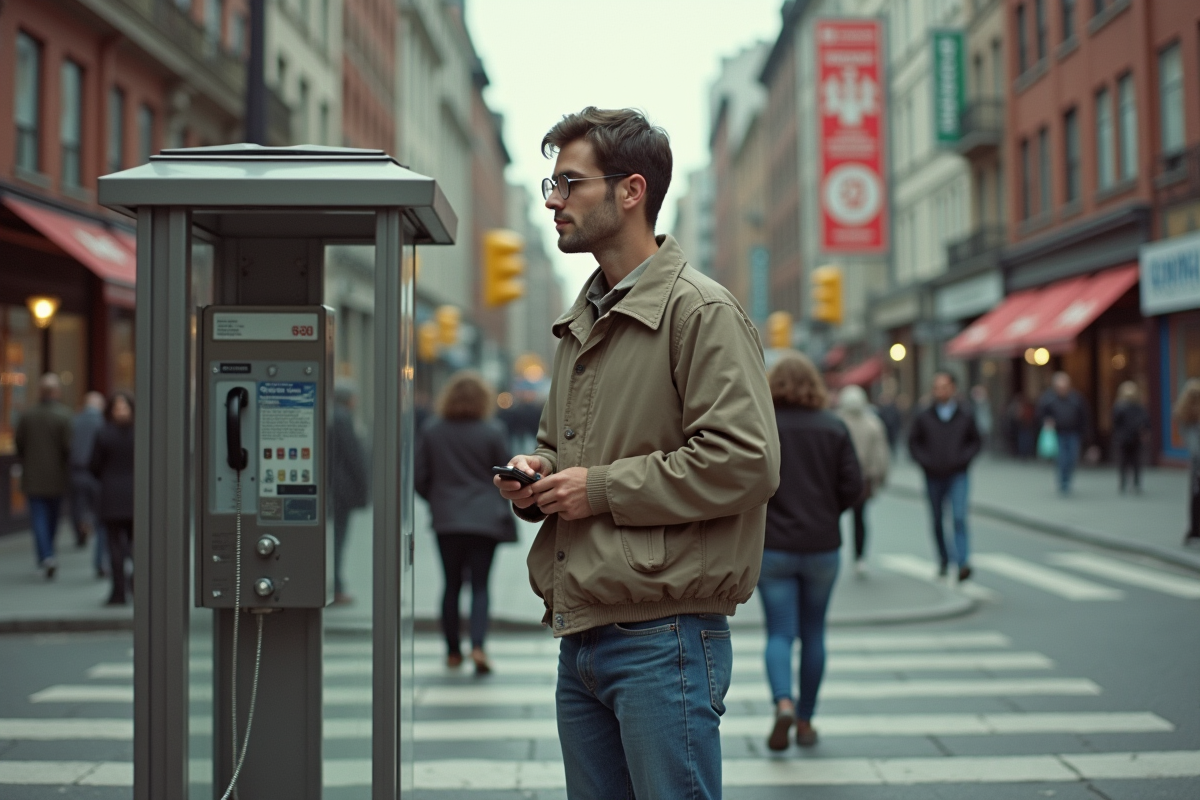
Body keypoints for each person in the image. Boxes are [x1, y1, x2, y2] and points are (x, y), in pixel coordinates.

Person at [493, 107, 780, 799]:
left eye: (570, 183)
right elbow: (565, 452)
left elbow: (747, 460)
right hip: (583, 632)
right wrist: (541, 477)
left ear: (631, 191)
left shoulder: (700, 311)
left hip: (665, 637)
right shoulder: (582, 319)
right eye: (551, 185)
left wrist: (597, 489)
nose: (554, 201)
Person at [762, 355, 862, 751]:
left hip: (774, 548)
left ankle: (782, 701)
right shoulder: (834, 427)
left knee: (780, 633)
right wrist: (826, 512)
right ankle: (805, 721)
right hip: (822, 548)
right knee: (814, 633)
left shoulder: (765, 426)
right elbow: (853, 487)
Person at [416, 371, 517, 674]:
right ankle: (478, 646)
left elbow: (420, 477)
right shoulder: (492, 431)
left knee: (451, 585)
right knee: (481, 587)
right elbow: (507, 473)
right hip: (485, 519)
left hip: (447, 519)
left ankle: (451, 652)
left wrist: (438, 500)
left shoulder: (434, 430)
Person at [907, 371, 982, 581]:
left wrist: (963, 459)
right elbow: (913, 443)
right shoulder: (924, 414)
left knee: (959, 516)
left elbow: (975, 441)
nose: (940, 391)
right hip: (933, 475)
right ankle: (943, 559)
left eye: (944, 386)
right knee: (938, 518)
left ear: (953, 388)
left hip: (958, 473)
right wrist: (926, 462)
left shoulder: (965, 413)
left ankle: (962, 562)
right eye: (936, 387)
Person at [15, 373, 73, 579]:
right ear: (56, 392)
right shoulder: (64, 416)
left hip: (33, 477)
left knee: (39, 518)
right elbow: (69, 448)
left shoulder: (28, 416)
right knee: (52, 518)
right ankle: (49, 554)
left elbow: (19, 444)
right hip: (56, 477)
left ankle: (45, 555)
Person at [835, 384, 889, 575]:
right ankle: (859, 556)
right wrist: (880, 476)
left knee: (834, 516)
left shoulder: (837, 422)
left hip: (838, 478)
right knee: (860, 518)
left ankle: (834, 552)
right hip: (863, 478)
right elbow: (880, 454)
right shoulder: (872, 423)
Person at [90, 392, 135, 605]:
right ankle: (136, 585)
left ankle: (118, 593)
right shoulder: (140, 434)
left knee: (115, 546)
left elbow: (94, 465)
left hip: (111, 496)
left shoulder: (104, 433)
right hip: (136, 496)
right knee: (137, 546)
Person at [330, 380, 369, 606]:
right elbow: (353, 456)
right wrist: (363, 489)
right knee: (337, 538)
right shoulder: (343, 418)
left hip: (333, 487)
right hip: (341, 488)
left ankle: (334, 585)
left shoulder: (332, 415)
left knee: (334, 537)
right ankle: (335, 586)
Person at [70, 392, 109, 577]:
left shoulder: (75, 421)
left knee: (78, 505)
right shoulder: (103, 423)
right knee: (100, 516)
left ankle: (82, 527)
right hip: (97, 474)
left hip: (77, 471)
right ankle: (100, 560)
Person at [1037, 371, 1090, 494]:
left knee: (1071, 457)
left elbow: (1084, 416)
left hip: (1073, 432)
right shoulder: (1049, 399)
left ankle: (1068, 479)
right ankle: (1063, 482)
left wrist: (1085, 434)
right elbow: (1041, 414)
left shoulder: (1076, 398)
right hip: (1058, 433)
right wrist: (1047, 421)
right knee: (1062, 458)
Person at [1173, 379, 1200, 546]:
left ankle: (1194, 531)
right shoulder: (1191, 418)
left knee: (1195, 497)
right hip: (1198, 463)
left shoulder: (1184, 415)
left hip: (1195, 463)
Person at [1112, 381, 1150, 494]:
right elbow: (1115, 422)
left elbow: (1145, 421)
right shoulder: (1120, 406)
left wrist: (1144, 431)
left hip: (1134, 438)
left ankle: (1135, 483)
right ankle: (1124, 483)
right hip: (1124, 438)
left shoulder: (1138, 406)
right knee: (1125, 461)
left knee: (1135, 461)